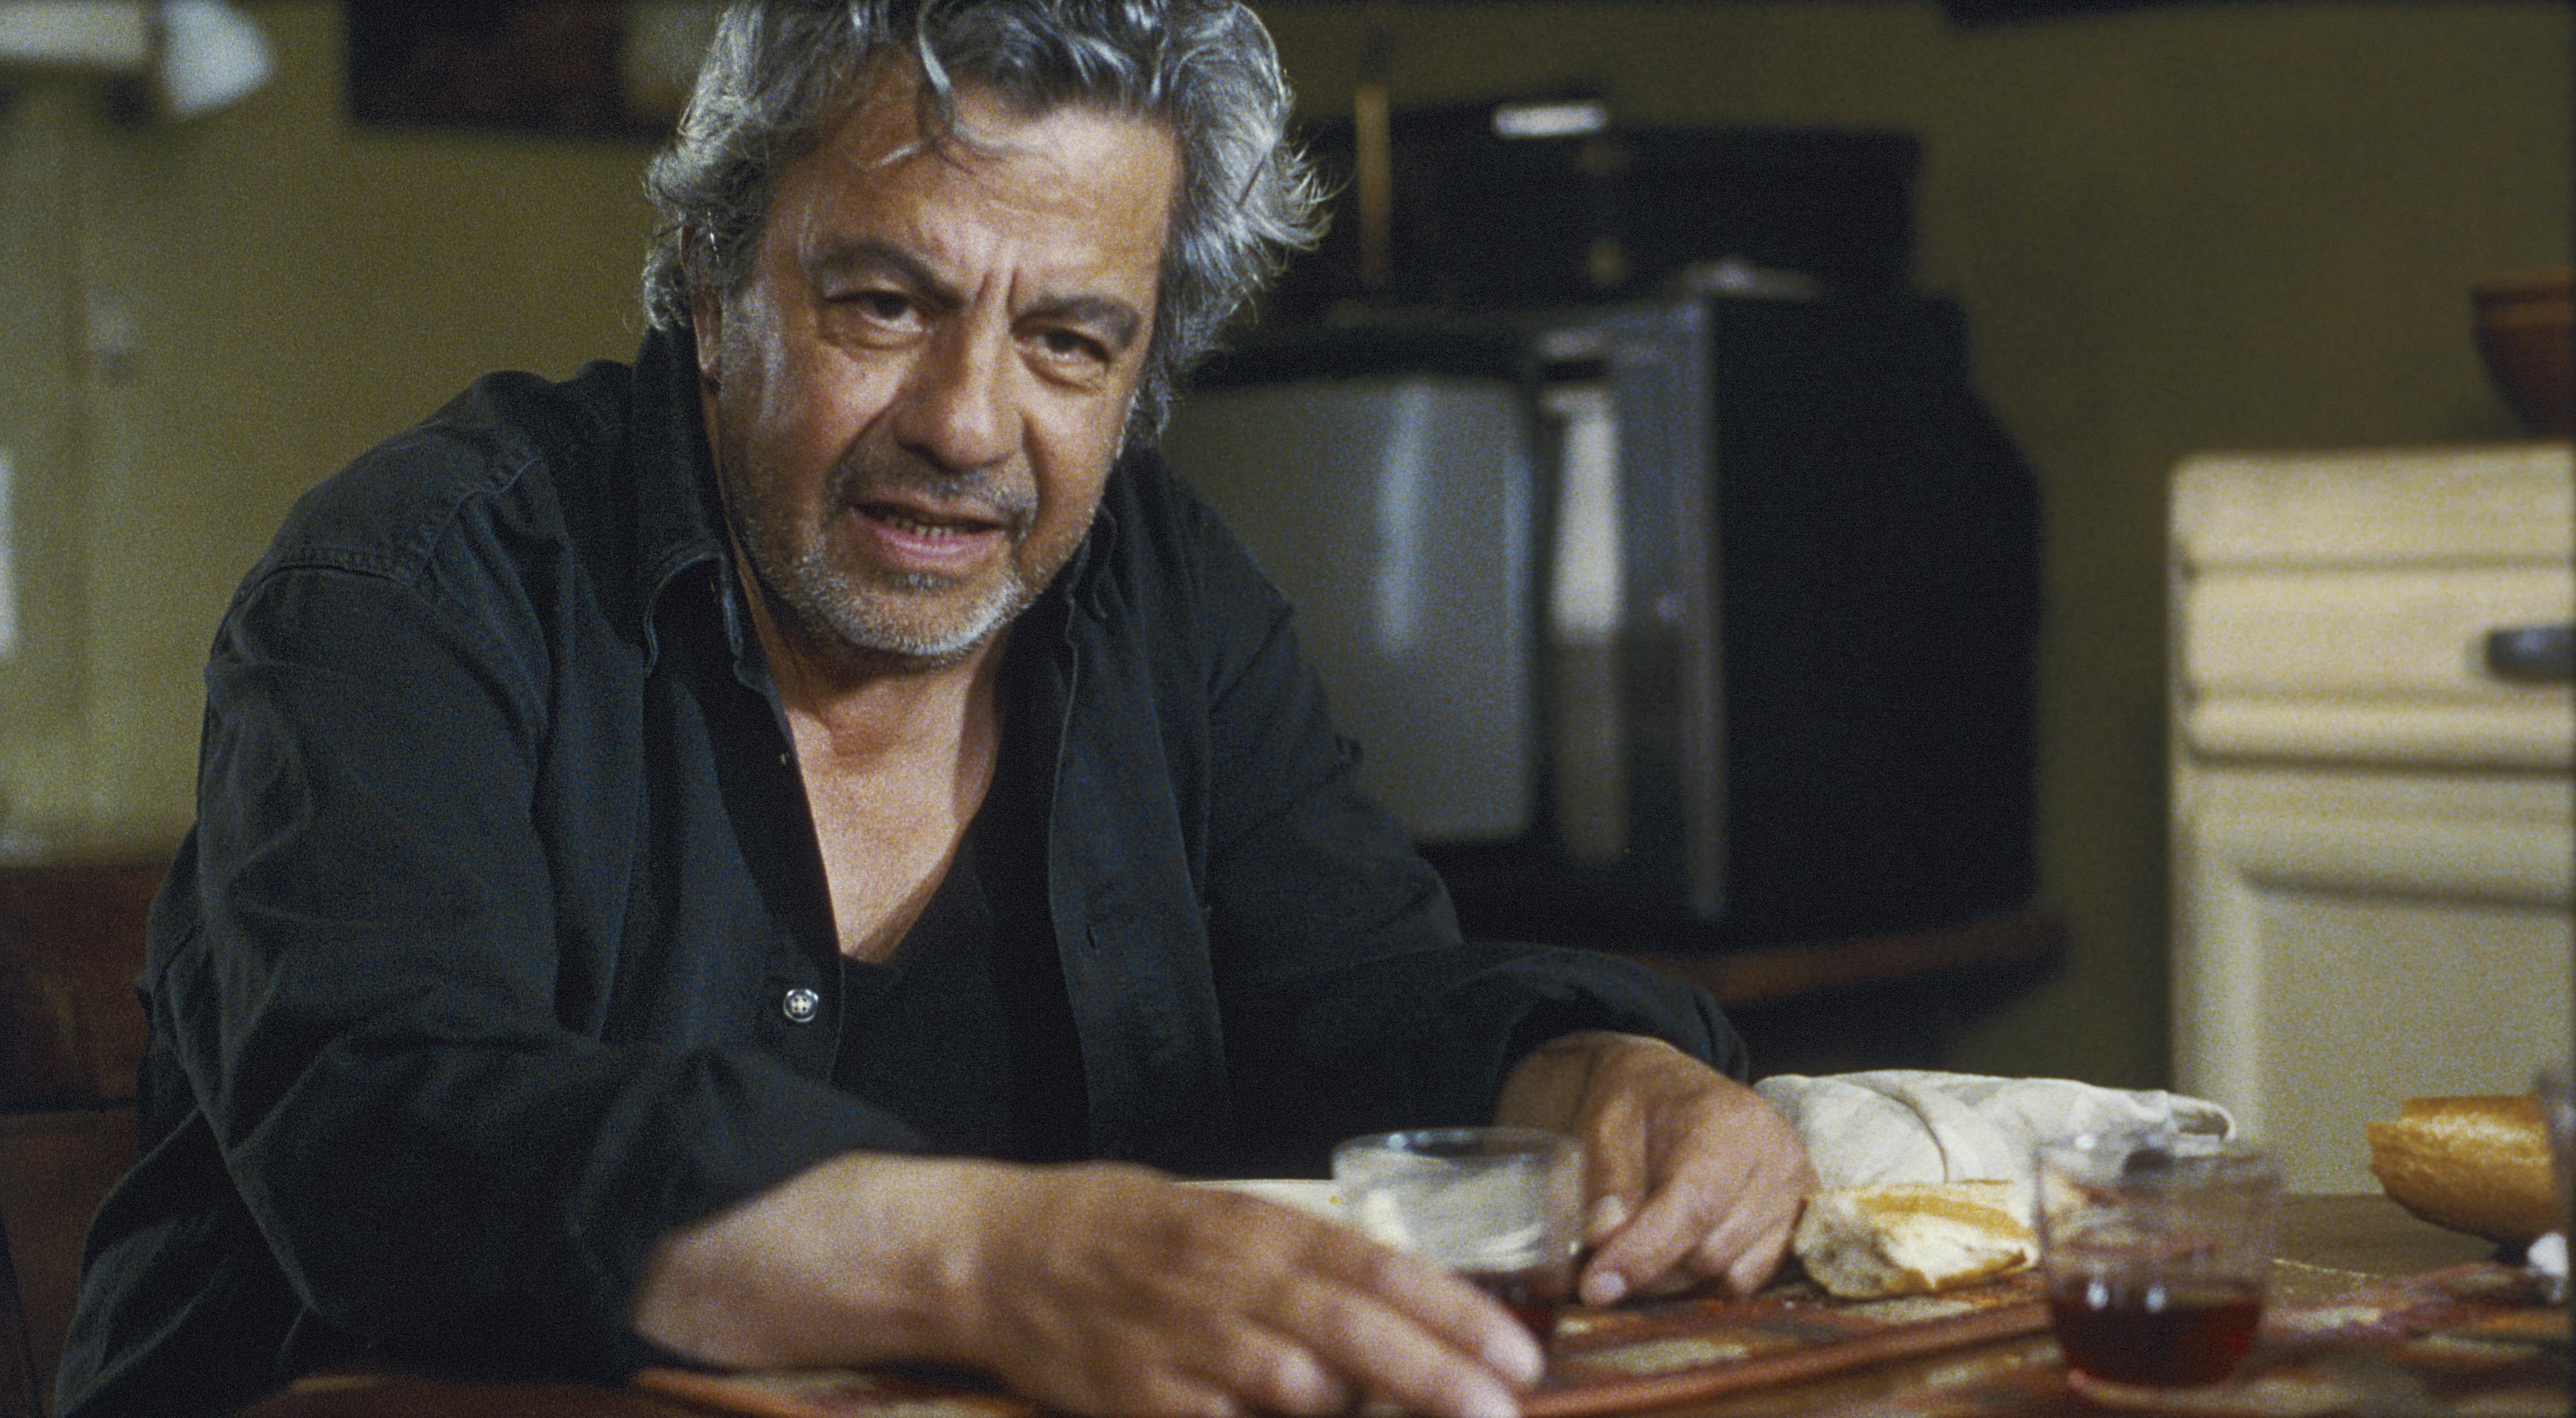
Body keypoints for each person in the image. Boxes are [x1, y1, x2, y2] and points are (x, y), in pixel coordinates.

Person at [58, 4, 1815, 1417]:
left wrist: (1584, 1071)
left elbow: (1351, 999)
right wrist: (990, 1260)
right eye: (887, 305)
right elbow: (391, 1132)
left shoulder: (1164, 591)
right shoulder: (410, 585)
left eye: (1069, 341)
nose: (968, 424)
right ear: (711, 283)